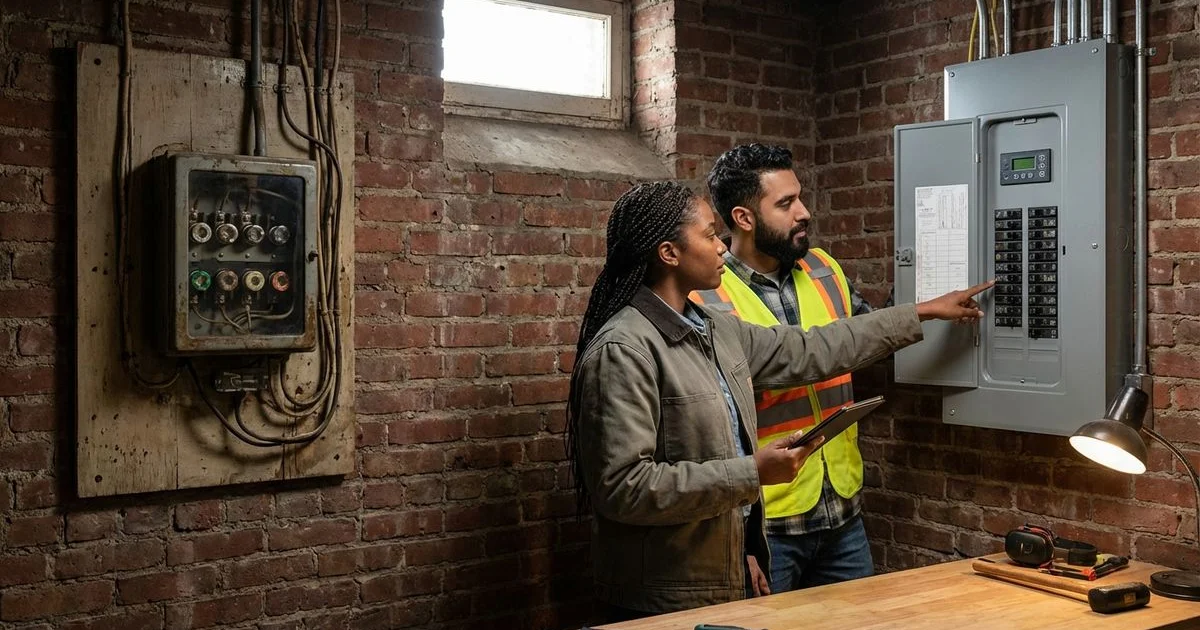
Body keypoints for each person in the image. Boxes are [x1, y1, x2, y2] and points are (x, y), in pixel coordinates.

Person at [566, 180, 991, 621]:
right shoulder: (624, 350)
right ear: (669, 253)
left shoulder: (714, 330)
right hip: (662, 596)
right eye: (710, 235)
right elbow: (622, 489)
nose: (721, 248)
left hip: (719, 578)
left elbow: (815, 347)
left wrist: (921, 312)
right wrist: (754, 472)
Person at [699, 143, 881, 595]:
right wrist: (740, 536)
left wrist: (927, 302)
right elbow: (704, 431)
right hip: (767, 526)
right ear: (743, 218)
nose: (803, 212)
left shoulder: (823, 268)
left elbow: (869, 338)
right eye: (785, 203)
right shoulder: (706, 295)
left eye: (799, 197)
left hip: (841, 511)